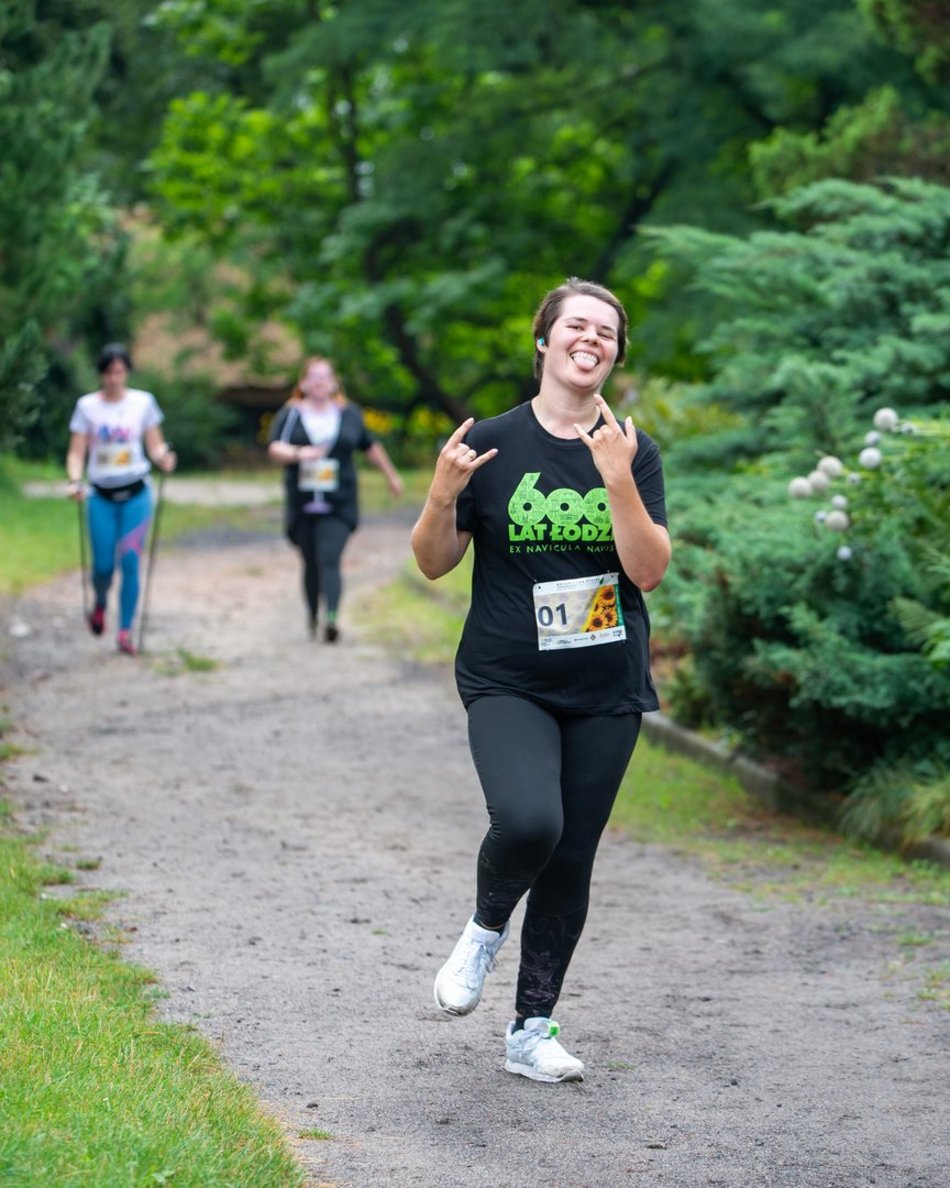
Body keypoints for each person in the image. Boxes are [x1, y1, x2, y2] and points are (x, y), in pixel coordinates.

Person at [411, 277, 670, 1082]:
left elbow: (649, 570)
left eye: (607, 331)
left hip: (605, 686)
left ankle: (532, 1030)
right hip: (507, 676)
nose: (591, 339)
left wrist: (618, 478)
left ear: (616, 352)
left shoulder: (633, 449)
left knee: (572, 856)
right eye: (576, 326)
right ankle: (483, 932)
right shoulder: (488, 443)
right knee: (529, 821)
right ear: (545, 341)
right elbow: (433, 562)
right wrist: (441, 494)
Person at [267, 356, 403, 641]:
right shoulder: (291, 414)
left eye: (325, 376)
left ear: (333, 382)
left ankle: (331, 618)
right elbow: (274, 447)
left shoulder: (349, 413)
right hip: (302, 501)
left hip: (339, 501)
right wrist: (298, 453)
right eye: (314, 376)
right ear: (303, 382)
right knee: (311, 560)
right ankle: (312, 616)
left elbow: (370, 446)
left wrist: (391, 475)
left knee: (329, 556)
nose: (319, 382)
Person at [65, 343, 177, 656]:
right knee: (102, 566)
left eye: (119, 372)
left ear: (126, 372)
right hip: (101, 495)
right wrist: (75, 481)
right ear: (101, 374)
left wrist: (164, 457)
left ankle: (125, 630)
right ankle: (100, 601)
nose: (113, 379)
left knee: (129, 561)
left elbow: (155, 445)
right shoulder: (87, 407)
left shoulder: (143, 403)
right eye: (108, 373)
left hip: (136, 494)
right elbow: (77, 452)